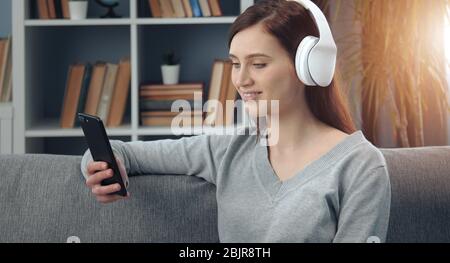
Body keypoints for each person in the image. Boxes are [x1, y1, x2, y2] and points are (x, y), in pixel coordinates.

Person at [80, 0, 391, 243]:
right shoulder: (230, 148)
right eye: (235, 64)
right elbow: (121, 151)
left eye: (258, 64)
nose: (241, 80)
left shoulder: (361, 166)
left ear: (309, 67)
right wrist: (102, 167)